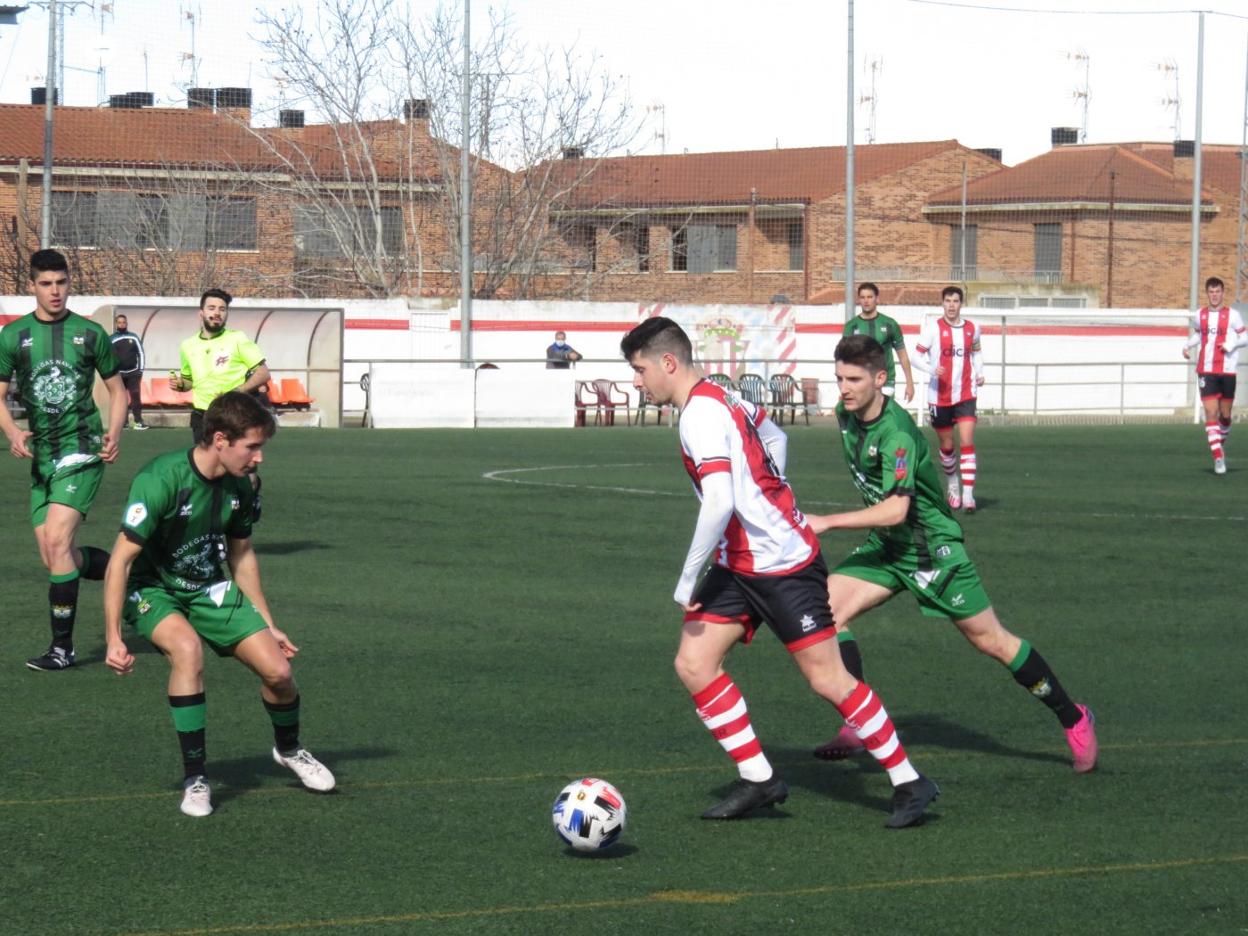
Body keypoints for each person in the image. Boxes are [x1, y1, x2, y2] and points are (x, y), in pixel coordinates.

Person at [621, 316, 939, 828]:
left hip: (785, 565)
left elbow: (721, 498)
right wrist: (771, 490)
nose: (637, 382)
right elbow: (773, 434)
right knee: (694, 661)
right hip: (741, 564)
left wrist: (687, 579)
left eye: (639, 370)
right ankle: (760, 779)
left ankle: (909, 780)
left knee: (828, 679)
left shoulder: (699, 414)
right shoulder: (723, 396)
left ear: (668, 363)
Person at [806, 334, 1098, 773]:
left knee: (992, 641)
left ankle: (1073, 716)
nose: (843, 388)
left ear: (881, 379)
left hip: (931, 550)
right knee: (825, 613)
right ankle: (860, 723)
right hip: (890, 546)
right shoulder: (847, 416)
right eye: (839, 378)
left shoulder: (897, 434)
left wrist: (826, 522)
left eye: (853, 379)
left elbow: (896, 509)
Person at [103, 391, 335, 817]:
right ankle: (196, 778)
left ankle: (288, 750)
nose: (259, 457)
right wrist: (114, 638)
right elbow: (119, 561)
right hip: (153, 589)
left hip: (209, 587)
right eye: (253, 446)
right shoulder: (160, 478)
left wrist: (269, 622)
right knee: (187, 651)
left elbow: (241, 555)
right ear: (221, 439)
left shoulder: (241, 486)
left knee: (279, 672)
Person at [0, 249, 128, 671]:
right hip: (42, 459)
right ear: (32, 286)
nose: (55, 291)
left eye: (62, 282)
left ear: (70, 282)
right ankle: (132, 570)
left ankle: (63, 648)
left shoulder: (90, 334)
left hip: (82, 450)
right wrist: (13, 431)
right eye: (46, 283)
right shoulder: (12, 336)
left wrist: (114, 433)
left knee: (57, 541)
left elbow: (118, 391)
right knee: (58, 557)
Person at [172, 289, 269, 517]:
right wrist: (180, 384)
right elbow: (188, 381)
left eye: (222, 309)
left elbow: (263, 373)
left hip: (235, 413)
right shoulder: (187, 346)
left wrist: (236, 392)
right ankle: (213, 520)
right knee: (207, 468)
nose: (217, 313)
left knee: (244, 468)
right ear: (201, 312)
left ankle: (251, 494)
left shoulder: (237, 339)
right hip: (203, 414)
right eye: (212, 308)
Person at [912, 285, 984, 512]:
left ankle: (969, 496)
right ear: (942, 303)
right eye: (948, 301)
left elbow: (977, 352)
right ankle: (953, 484)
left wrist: (980, 373)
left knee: (967, 442)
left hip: (965, 394)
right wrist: (932, 369)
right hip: (939, 396)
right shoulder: (933, 329)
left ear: (961, 304)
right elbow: (916, 357)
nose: (951, 305)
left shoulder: (973, 328)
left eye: (955, 301)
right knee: (947, 445)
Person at [1183, 276, 1246, 475]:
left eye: (1218, 291)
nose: (1214, 295)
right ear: (1207, 293)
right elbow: (1198, 335)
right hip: (1206, 370)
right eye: (1211, 292)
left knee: (1225, 416)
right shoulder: (1200, 315)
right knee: (1211, 413)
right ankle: (1218, 457)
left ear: (1222, 292)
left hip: (1227, 370)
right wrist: (1186, 345)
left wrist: (1232, 344)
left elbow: (1245, 336)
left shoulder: (1233, 315)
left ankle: (1218, 443)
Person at [843, 282, 915, 403]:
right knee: (864, 419)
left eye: (870, 297)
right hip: (861, 381)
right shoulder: (851, 326)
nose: (866, 301)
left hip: (886, 381)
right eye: (863, 297)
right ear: (859, 300)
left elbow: (903, 356)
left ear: (877, 299)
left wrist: (910, 383)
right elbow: (845, 358)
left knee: (884, 417)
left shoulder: (890, 324)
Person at [111, 313, 148, 430]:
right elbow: (108, 356)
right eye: (119, 322)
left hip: (133, 373)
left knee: (135, 396)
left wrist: (140, 370)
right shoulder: (111, 339)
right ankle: (124, 423)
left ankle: (138, 422)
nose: (122, 324)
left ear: (127, 324)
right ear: (116, 324)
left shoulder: (133, 337)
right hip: (119, 374)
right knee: (121, 399)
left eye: (124, 322)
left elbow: (141, 353)